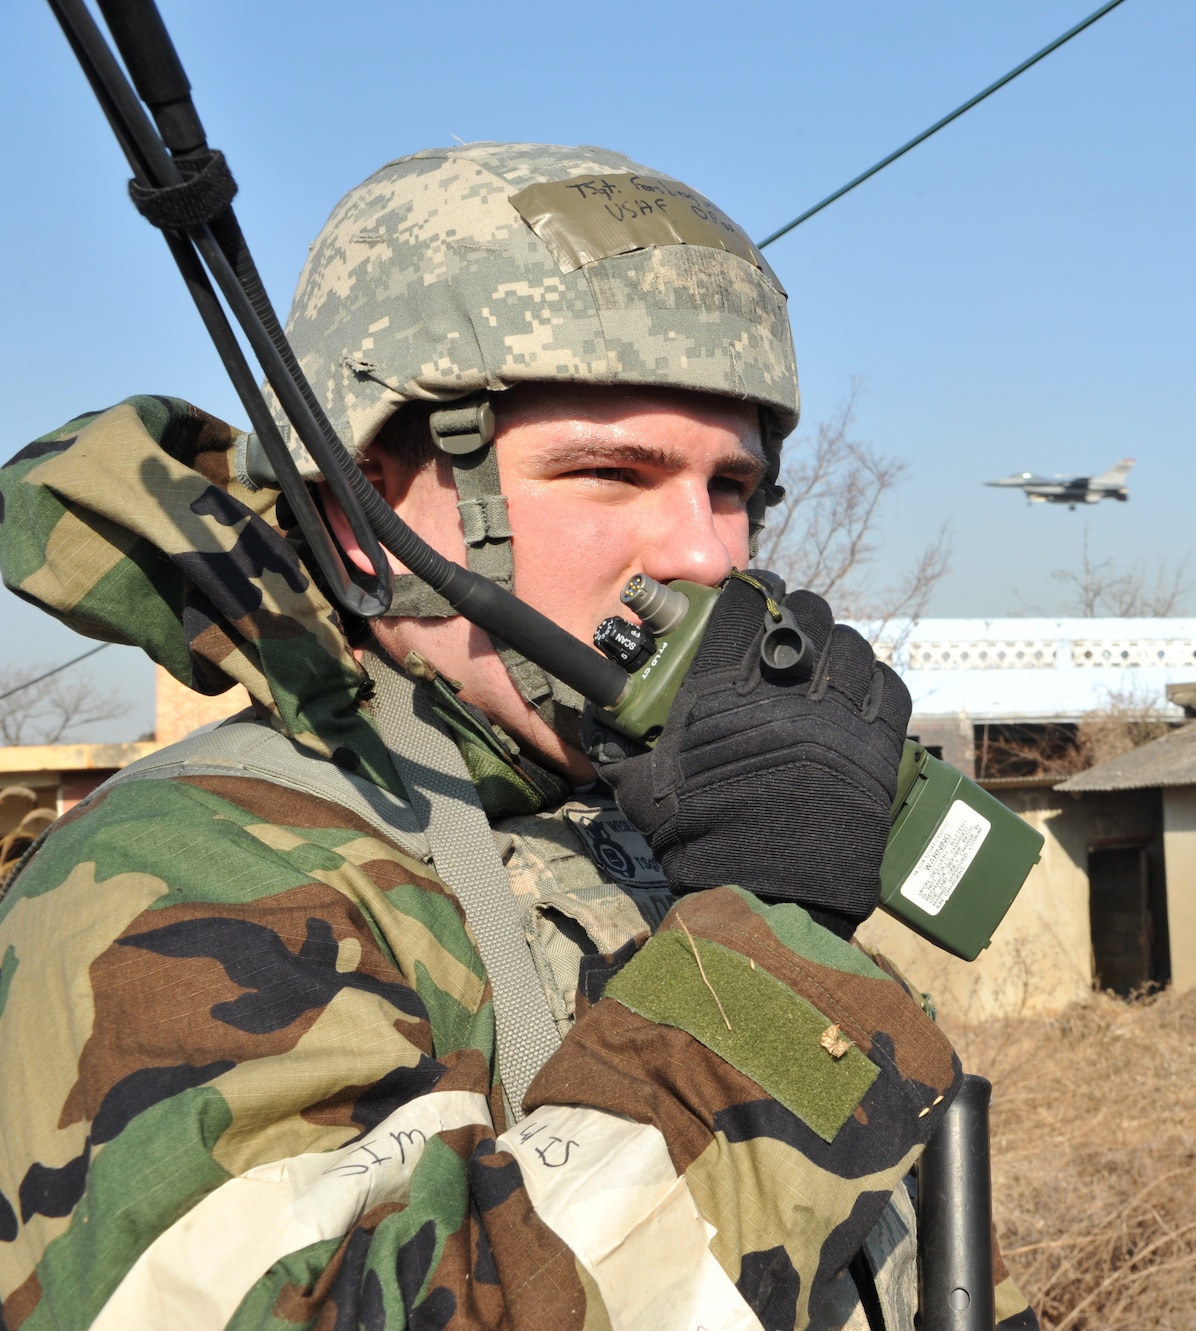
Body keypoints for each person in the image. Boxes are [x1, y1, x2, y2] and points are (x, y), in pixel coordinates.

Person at [0, 143, 1037, 1331]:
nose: (705, 553)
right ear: (358, 519)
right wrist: (774, 949)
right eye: (609, 471)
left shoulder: (651, 837)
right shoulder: (181, 875)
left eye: (731, 487)